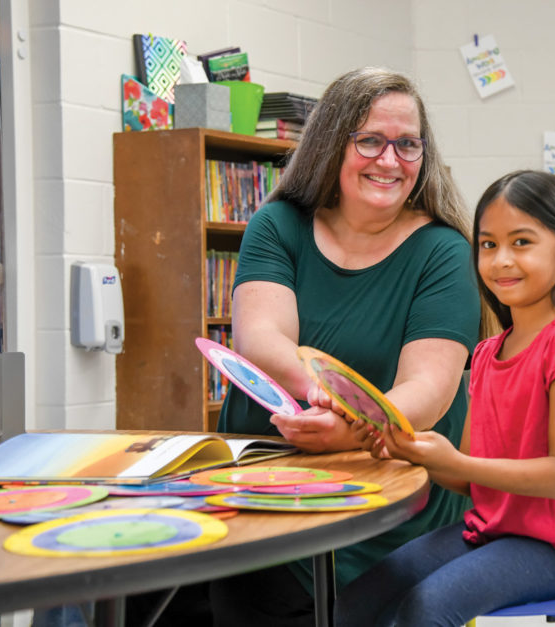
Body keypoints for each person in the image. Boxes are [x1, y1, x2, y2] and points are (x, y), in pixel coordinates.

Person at [206, 67, 483, 626]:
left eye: (408, 144)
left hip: (383, 494)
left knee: (254, 599)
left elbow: (428, 389)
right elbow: (262, 339)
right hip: (265, 476)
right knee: (136, 582)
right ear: (334, 142)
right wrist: (333, 404)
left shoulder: (444, 252)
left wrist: (355, 430)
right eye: (371, 140)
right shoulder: (278, 223)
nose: (390, 160)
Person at [334, 169, 555, 626]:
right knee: (359, 598)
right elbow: (471, 477)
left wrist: (456, 462)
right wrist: (414, 451)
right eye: (488, 245)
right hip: (495, 531)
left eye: (522, 242)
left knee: (428, 608)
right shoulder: (488, 354)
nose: (501, 260)